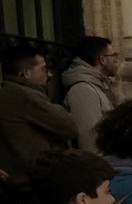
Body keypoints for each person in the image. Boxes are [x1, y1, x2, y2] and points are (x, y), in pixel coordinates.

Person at [0, 44, 78, 193]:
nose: (49, 75)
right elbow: (69, 126)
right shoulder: (24, 95)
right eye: (44, 69)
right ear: (26, 73)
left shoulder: (8, 92)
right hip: (30, 184)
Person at [62, 36, 120, 151]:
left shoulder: (100, 87)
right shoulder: (83, 90)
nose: (116, 59)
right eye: (113, 55)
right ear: (102, 60)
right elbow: (89, 141)